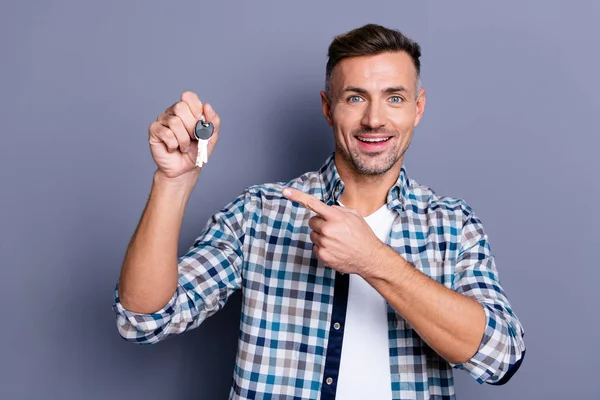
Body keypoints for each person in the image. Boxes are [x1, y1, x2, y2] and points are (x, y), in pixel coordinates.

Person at [113, 23, 525, 399]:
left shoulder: (452, 225)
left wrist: (372, 259)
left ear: (417, 108)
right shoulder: (260, 212)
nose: (374, 119)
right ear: (328, 108)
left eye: (394, 98)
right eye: (355, 98)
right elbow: (145, 320)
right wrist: (173, 182)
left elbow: (500, 357)